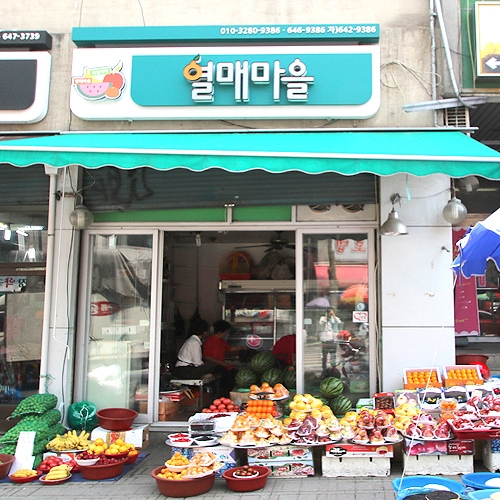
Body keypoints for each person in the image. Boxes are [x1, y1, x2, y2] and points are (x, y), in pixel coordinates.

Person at [203, 319, 245, 397]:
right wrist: (221, 363)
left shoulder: (221, 341)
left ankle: (232, 395)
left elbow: (229, 348)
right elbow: (206, 357)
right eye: (226, 332)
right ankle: (224, 396)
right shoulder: (209, 341)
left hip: (222, 365)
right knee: (227, 377)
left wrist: (240, 348)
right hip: (212, 366)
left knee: (236, 373)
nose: (226, 334)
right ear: (220, 332)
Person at [318, 307, 343, 372]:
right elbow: (322, 323)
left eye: (332, 312)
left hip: (333, 339)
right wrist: (326, 316)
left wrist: (333, 316)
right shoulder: (322, 318)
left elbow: (339, 323)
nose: (330, 313)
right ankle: (324, 368)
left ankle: (333, 368)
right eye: (329, 312)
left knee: (333, 355)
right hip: (325, 340)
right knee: (324, 355)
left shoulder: (334, 318)